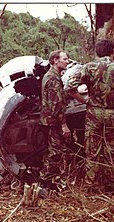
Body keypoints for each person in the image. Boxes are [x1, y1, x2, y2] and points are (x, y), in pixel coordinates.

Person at [65, 39, 114, 193]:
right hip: (113, 113)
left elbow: (70, 87)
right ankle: (112, 186)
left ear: (96, 51)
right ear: (112, 51)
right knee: (111, 151)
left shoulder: (88, 67)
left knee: (92, 151)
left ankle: (91, 187)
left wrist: (84, 100)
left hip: (93, 113)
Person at [39, 50, 71, 192]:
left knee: (52, 151)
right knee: (55, 152)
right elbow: (55, 105)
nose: (67, 61)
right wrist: (64, 125)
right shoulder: (53, 79)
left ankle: (49, 182)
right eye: (64, 58)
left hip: (49, 120)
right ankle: (45, 183)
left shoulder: (52, 76)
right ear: (55, 60)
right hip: (54, 121)